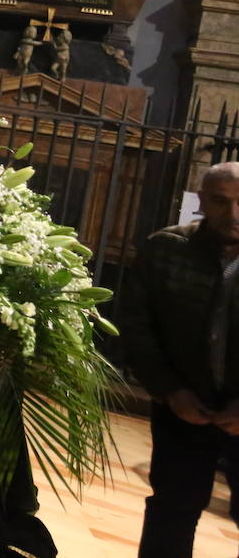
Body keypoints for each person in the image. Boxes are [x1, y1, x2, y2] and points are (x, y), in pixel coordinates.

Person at [119, 160, 239, 557]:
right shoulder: (165, 249)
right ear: (202, 200)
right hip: (184, 409)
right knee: (172, 510)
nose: (233, 213)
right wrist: (171, 390)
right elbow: (136, 326)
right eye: (221, 202)